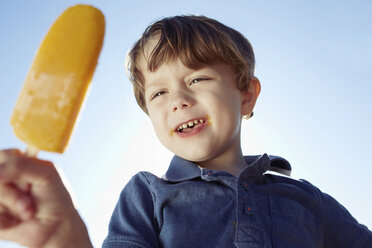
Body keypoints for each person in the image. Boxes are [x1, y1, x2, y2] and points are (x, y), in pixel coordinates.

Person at [0, 15, 371, 248]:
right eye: (158, 92)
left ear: (246, 94)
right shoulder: (146, 194)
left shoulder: (306, 198)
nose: (177, 99)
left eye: (197, 78)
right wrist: (62, 240)